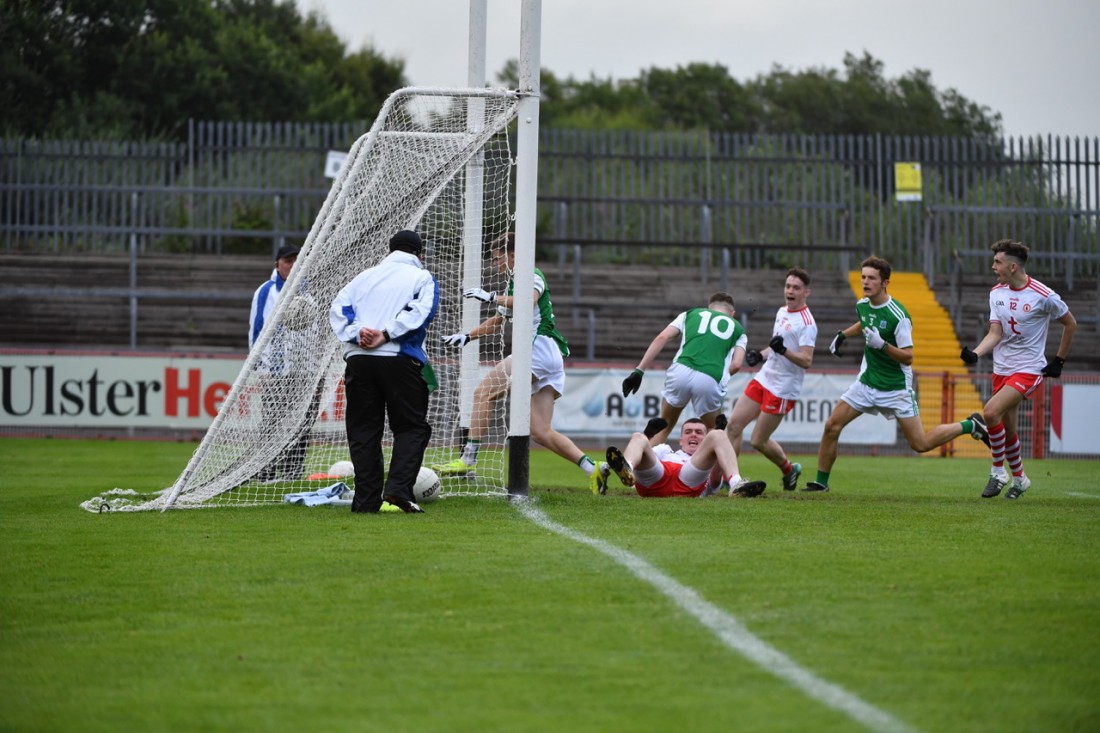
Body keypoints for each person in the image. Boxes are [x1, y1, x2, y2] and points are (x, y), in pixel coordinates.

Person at [434, 232, 611, 494]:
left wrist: (491, 296)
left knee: (483, 392)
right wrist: (466, 336)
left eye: (497, 258)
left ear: (513, 254)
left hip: (537, 349)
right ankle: (593, 468)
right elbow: (498, 321)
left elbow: (527, 301)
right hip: (549, 357)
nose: (495, 264)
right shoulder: (514, 282)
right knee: (540, 431)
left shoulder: (530, 274)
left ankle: (468, 459)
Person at [804, 255, 989, 492]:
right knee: (832, 426)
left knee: (920, 444)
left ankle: (970, 425)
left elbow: (909, 356)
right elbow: (864, 321)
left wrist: (882, 345)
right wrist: (843, 335)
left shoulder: (899, 316)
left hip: (895, 387)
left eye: (872, 278)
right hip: (867, 383)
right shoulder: (862, 304)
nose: (865, 282)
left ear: (885, 282)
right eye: (863, 277)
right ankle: (821, 483)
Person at [328, 230, 439, 513]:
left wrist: (358, 333)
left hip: (359, 360)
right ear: (419, 254)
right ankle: (399, 490)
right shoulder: (421, 276)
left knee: (363, 429)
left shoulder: (362, 277)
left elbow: (338, 308)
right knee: (411, 427)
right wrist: (386, 334)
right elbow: (422, 310)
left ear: (390, 251)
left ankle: (365, 502)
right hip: (400, 357)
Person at [960, 239, 1076, 499]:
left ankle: (998, 472)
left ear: (1013, 266)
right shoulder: (996, 292)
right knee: (1008, 430)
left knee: (990, 412)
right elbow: (995, 332)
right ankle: (1021, 479)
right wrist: (976, 353)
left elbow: (1070, 323)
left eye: (997, 262)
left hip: (1028, 369)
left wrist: (1059, 360)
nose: (993, 266)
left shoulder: (1043, 295)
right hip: (1002, 368)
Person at [724, 268, 817, 491]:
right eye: (788, 286)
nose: (790, 291)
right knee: (734, 425)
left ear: (806, 292)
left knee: (758, 441)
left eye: (796, 288)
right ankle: (730, 480)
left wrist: (783, 351)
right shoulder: (782, 311)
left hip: (783, 388)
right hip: (765, 377)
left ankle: (789, 470)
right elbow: (776, 347)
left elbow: (806, 360)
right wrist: (761, 354)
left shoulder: (807, 323)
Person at [621, 292, 748, 446]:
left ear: (708, 308)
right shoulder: (739, 330)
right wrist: (717, 376)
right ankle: (718, 469)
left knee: (664, 425)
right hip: (711, 376)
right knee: (714, 431)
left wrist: (639, 371)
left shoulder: (690, 314)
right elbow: (736, 364)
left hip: (681, 369)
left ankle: (639, 464)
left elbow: (662, 337)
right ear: (732, 314)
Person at [247, 243, 315, 483]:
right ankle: (265, 471)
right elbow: (257, 330)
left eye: (298, 260)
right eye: (288, 261)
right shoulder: (266, 292)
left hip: (305, 371)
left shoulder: (311, 292)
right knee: (272, 423)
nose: (293, 265)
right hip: (276, 372)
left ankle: (293, 472)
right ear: (277, 264)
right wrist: (260, 368)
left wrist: (316, 368)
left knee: (302, 424)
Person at [605, 417, 766, 498]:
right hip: (658, 477)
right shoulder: (665, 450)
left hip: (689, 480)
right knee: (639, 437)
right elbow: (644, 456)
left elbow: (715, 479)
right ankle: (627, 468)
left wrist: (718, 434)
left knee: (718, 434)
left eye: (698, 432)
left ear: (705, 440)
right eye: (688, 432)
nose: (693, 435)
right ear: (681, 440)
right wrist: (648, 434)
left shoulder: (707, 461)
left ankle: (736, 485)